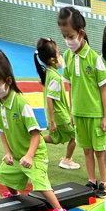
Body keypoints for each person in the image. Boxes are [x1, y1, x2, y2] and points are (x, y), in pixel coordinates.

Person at [0, 47, 69, 211]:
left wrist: (30, 156)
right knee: (4, 174)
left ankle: (60, 210)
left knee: (39, 182)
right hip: (17, 153)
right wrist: (8, 152)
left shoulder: (20, 104)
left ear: (8, 80)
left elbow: (36, 135)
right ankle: (14, 195)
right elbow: (1, 130)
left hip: (34, 154)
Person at [58, 5, 106, 198]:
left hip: (95, 114)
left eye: (70, 36)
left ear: (81, 33)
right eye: (64, 36)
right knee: (87, 150)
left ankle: (104, 183)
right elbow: (70, 86)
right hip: (79, 114)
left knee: (100, 152)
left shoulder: (95, 59)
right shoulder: (67, 56)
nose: (67, 40)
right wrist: (72, 111)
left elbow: (104, 90)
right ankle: (91, 181)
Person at [34, 37, 78, 169]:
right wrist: (52, 121)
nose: (61, 56)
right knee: (76, 135)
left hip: (56, 116)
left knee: (55, 138)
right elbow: (50, 99)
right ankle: (67, 160)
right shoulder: (54, 77)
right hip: (60, 116)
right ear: (53, 60)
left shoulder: (49, 73)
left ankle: (32, 142)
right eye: (59, 53)